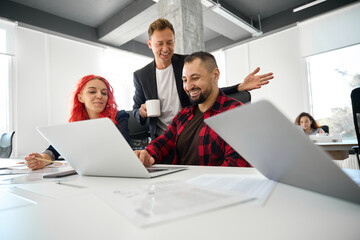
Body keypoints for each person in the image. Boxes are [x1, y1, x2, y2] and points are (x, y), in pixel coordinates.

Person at [133, 18, 274, 140]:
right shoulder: (141, 75)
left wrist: (239, 87)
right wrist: (141, 112)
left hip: (190, 132)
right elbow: (135, 110)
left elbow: (206, 90)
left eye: (169, 42)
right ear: (150, 44)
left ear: (174, 41)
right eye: (160, 44)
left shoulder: (187, 63)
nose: (165, 48)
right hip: (162, 137)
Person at [135, 51, 251, 168]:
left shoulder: (236, 112)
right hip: (180, 183)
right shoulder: (183, 115)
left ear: (215, 75)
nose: (188, 86)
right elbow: (164, 142)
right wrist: (147, 153)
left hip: (212, 185)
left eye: (195, 78)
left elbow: (237, 165)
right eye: (185, 80)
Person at [25, 75, 130, 170]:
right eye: (92, 92)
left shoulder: (120, 116)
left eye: (104, 93)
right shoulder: (76, 123)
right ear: (80, 98)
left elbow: (125, 150)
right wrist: (42, 159)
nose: (99, 96)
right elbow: (54, 149)